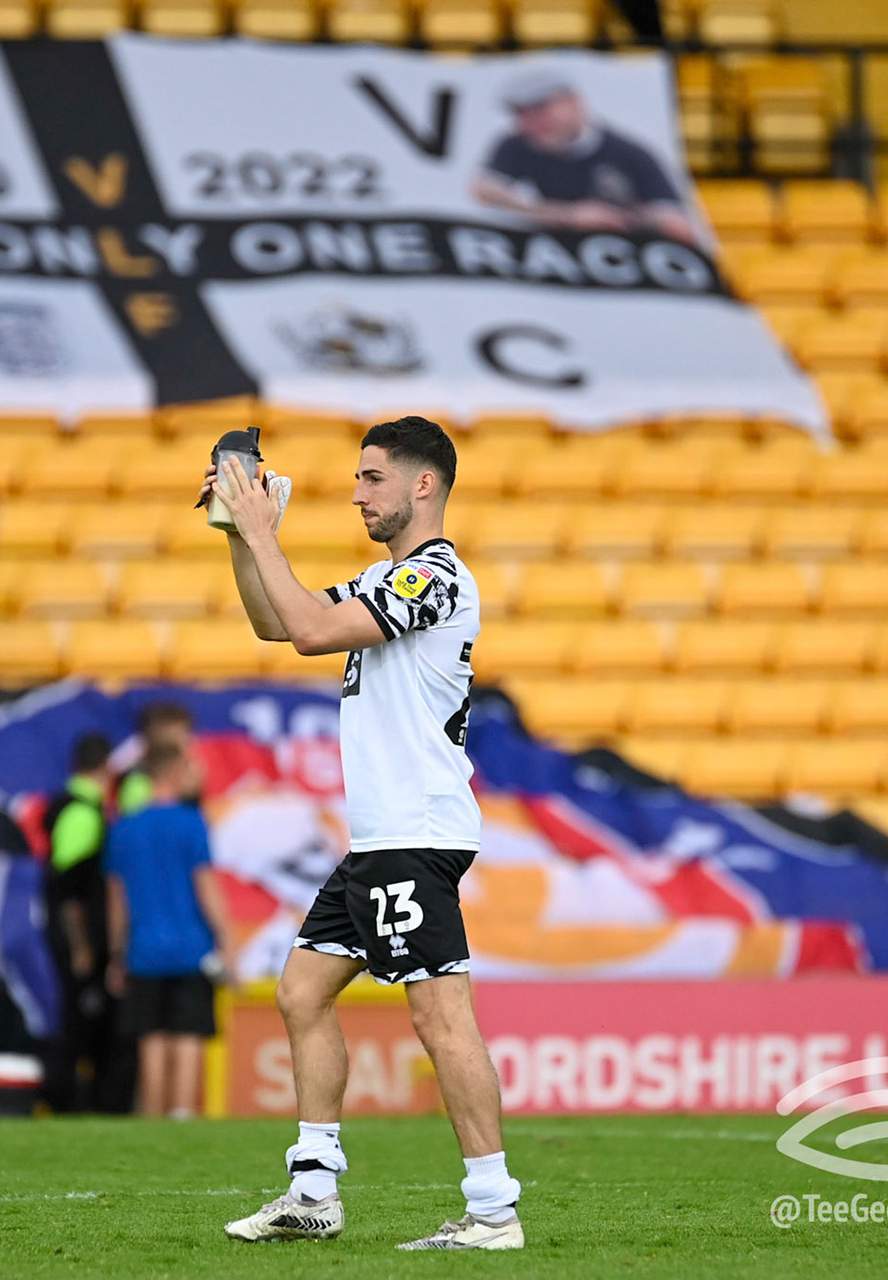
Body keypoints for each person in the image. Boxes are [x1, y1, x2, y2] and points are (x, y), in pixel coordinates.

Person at [206, 416, 523, 1251]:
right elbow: (279, 624)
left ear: (424, 484)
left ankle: (493, 1210)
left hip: (415, 833)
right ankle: (313, 1190)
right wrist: (240, 535)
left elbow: (312, 632)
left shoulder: (434, 577)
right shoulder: (384, 580)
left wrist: (265, 533)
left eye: (372, 478)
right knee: (301, 992)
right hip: (381, 838)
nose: (357, 495)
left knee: (440, 1016)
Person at [103, 742, 229, 1119]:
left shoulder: (123, 828)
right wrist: (228, 941)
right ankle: (181, 1116)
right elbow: (206, 888)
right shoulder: (192, 823)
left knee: (151, 1040)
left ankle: (154, 1121)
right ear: (175, 772)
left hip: (143, 952)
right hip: (191, 949)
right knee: (188, 1037)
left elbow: (117, 902)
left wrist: (116, 954)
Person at [470, 68, 697, 246]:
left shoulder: (628, 153)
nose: (532, 122)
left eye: (541, 109)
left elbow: (675, 220)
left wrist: (618, 219)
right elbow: (484, 189)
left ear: (574, 103)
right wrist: (566, 215)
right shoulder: (517, 145)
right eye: (522, 114)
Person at [42, 732, 133, 1114]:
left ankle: (77, 1104)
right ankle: (67, 1104)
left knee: (86, 1027)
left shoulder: (83, 809)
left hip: (82, 942)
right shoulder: (82, 813)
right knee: (79, 1027)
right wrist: (79, 945)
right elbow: (67, 891)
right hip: (82, 944)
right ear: (105, 766)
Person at [117, 702, 196, 814]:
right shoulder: (138, 784)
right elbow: (135, 822)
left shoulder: (189, 781)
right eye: (183, 734)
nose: (190, 741)